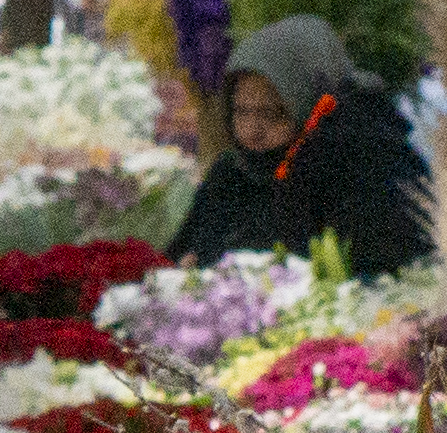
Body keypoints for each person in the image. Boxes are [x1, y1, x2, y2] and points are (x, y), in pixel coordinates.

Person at [165, 14, 429, 278]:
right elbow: (178, 257)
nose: (252, 131)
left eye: (273, 113)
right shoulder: (231, 173)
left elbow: (383, 270)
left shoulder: (362, 159)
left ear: (310, 99)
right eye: (241, 111)